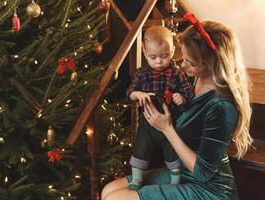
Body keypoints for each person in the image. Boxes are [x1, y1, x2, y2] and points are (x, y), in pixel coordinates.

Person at [101, 13, 253, 200]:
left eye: (190, 62)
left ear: (210, 63)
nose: (183, 64)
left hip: (211, 190)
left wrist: (166, 128)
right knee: (109, 190)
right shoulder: (193, 80)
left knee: (115, 198)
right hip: (183, 172)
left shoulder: (221, 106)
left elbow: (202, 173)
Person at [126, 25, 193, 190]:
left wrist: (181, 98)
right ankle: (137, 179)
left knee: (171, 148)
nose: (158, 62)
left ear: (172, 51)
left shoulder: (177, 73)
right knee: (142, 145)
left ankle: (176, 180)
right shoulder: (142, 73)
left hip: (170, 118)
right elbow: (130, 93)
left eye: (164, 56)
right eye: (153, 57)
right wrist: (138, 95)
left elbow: (188, 93)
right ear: (144, 53)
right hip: (148, 119)